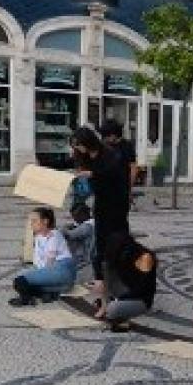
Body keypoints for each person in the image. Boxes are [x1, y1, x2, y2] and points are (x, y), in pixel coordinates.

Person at [70, 125, 130, 319]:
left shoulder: (109, 155)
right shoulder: (87, 157)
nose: (77, 150)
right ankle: (104, 291)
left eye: (78, 146)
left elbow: (115, 176)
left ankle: (118, 290)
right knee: (101, 250)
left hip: (116, 207)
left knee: (116, 246)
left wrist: (93, 175)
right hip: (102, 207)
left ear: (87, 143)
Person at [10, 207, 77, 306]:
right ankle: (47, 294)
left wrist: (35, 276)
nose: (31, 224)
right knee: (26, 282)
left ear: (45, 221)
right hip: (57, 276)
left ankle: (26, 299)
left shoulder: (54, 234)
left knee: (20, 281)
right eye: (31, 221)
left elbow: (50, 263)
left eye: (34, 221)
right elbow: (37, 261)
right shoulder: (38, 237)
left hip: (62, 269)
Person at [102, 232, 157, 332]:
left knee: (113, 309)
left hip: (141, 299)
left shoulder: (145, 257)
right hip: (124, 290)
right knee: (106, 267)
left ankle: (122, 320)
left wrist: (120, 299)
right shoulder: (121, 258)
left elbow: (142, 288)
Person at [100, 119, 138, 208]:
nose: (104, 139)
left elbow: (133, 167)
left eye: (105, 136)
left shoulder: (126, 146)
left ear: (113, 135)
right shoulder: (104, 146)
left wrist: (129, 186)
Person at [61, 203, 95, 270]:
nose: (74, 219)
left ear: (83, 214)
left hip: (85, 260)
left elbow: (70, 235)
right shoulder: (92, 222)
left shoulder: (87, 226)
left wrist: (64, 228)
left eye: (76, 216)